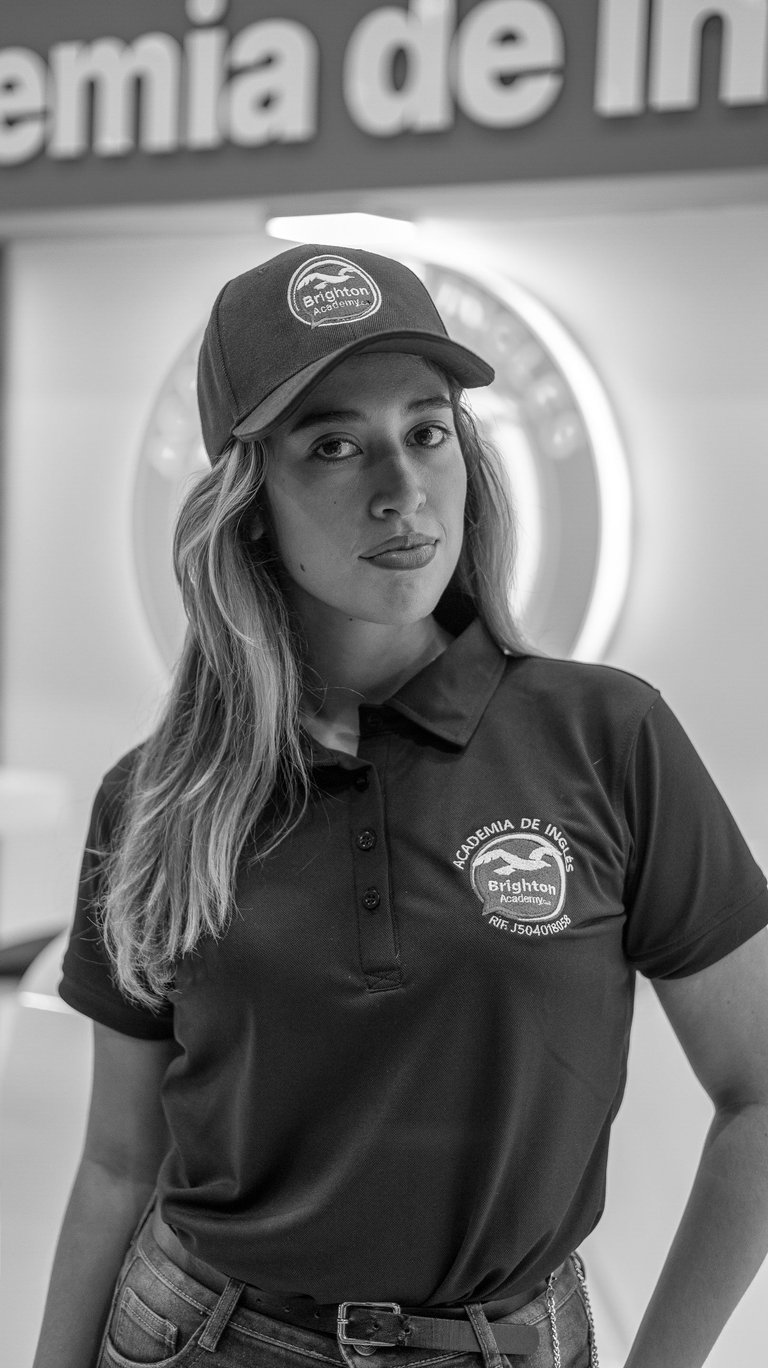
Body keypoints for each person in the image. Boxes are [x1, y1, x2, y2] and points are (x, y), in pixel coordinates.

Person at [34, 244, 768, 1368]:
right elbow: (118, 1163)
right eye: (333, 445)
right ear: (249, 504)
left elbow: (758, 1094)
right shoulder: (158, 797)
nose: (402, 488)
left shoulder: (608, 736)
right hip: (198, 1336)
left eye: (427, 431)